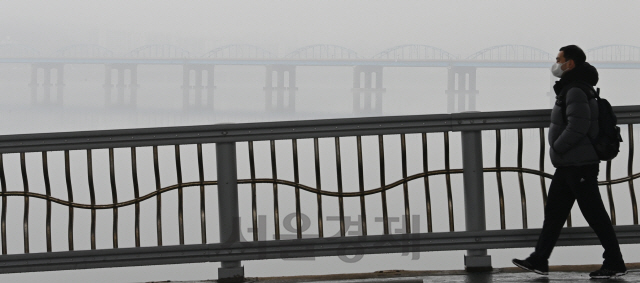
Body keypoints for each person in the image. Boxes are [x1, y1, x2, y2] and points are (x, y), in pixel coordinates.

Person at [512, 45, 627, 279]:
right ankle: (539, 259)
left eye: (559, 59)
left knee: (595, 215)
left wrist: (557, 147)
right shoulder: (574, 88)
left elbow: (578, 125)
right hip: (569, 165)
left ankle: (614, 262)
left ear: (570, 63)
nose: (556, 64)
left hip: (579, 164)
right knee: (554, 213)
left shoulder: (574, 90)